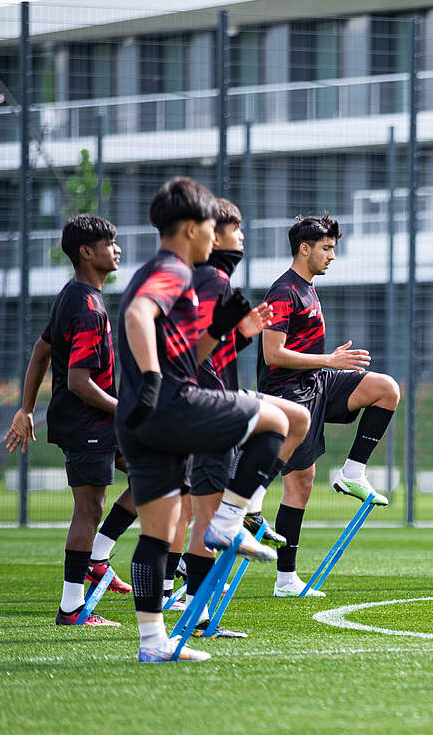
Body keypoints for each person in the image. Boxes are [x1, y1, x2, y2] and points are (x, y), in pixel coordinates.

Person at [117, 177, 307, 663]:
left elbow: (190, 351)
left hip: (137, 418)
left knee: (158, 534)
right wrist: (155, 379)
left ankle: (152, 644)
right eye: (210, 224)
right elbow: (139, 315)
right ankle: (228, 519)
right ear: (191, 228)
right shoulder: (174, 269)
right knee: (278, 422)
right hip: (172, 402)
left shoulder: (150, 270)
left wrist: (233, 332)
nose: (215, 233)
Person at [177, 198, 305, 636]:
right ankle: (245, 510)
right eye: (237, 230)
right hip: (205, 405)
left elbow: (215, 351)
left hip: (208, 401)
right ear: (215, 236)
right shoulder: (210, 279)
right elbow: (191, 354)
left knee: (204, 517)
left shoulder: (210, 280)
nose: (242, 238)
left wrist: (242, 333)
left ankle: (197, 613)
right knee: (285, 419)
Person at [5, 214, 137, 627]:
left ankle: (98, 557)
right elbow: (80, 383)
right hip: (86, 423)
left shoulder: (76, 296)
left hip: (97, 420)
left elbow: (42, 351)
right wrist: (124, 409)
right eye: (109, 243)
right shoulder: (85, 307)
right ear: (86, 252)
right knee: (88, 509)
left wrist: (26, 409)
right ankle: (71, 609)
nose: (117, 250)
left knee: (156, 473)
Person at [259, 214, 398, 598]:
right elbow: (273, 355)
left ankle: (352, 472)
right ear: (304, 249)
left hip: (317, 383)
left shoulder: (308, 287)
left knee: (385, 389)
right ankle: (285, 579)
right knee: (300, 486)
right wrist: (328, 361)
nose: (332, 256)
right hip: (289, 396)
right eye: (326, 248)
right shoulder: (282, 292)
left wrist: (326, 366)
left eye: (333, 248)